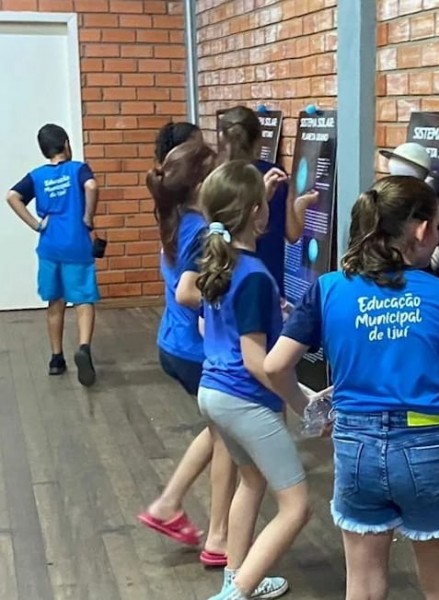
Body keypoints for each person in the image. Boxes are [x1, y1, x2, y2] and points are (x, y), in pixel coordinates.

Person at [265, 176, 439, 600]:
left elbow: (274, 366)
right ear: (421, 230)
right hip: (428, 444)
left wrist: (308, 407)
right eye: (436, 225)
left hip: (355, 444)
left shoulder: (328, 289)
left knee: (362, 586)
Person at [196, 160, 313, 600]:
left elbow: (211, 327)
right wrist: (304, 404)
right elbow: (255, 361)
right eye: (265, 203)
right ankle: (236, 593)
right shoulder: (254, 275)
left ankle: (236, 577)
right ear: (256, 213)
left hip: (213, 393)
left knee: (252, 480)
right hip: (241, 398)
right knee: (297, 506)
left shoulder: (222, 266)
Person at [137, 134, 237, 568]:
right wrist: (237, 301)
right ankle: (219, 540)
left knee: (220, 432)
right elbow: (187, 292)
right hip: (196, 351)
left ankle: (169, 504)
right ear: (200, 183)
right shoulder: (199, 231)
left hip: (175, 345)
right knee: (230, 439)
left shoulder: (177, 218)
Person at [6, 123, 99, 386]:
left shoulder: (36, 176)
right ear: (66, 144)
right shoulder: (78, 169)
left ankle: (56, 359)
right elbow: (91, 186)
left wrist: (36, 225)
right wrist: (88, 216)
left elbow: (12, 196)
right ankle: (83, 348)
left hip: (50, 246)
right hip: (76, 243)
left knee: (55, 302)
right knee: (83, 299)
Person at [218, 105, 318, 295]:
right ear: (259, 141)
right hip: (267, 282)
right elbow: (293, 233)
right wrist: (297, 202)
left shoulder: (216, 180)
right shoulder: (274, 175)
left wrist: (297, 201)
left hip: (226, 282)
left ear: (222, 138)